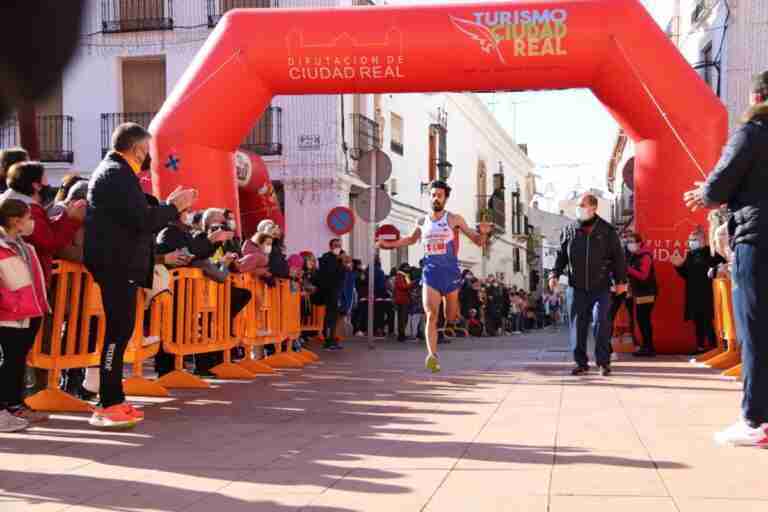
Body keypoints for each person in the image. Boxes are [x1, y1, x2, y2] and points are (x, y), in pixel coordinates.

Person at [85, 123, 196, 428]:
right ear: (136, 149)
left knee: (121, 333)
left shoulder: (118, 173)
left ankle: (114, 398)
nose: (148, 157)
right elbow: (144, 221)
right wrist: (174, 207)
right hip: (116, 264)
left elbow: (139, 216)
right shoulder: (116, 174)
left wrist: (168, 206)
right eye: (146, 150)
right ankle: (108, 403)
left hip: (121, 264)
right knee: (117, 334)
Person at [683, 71, 768, 447]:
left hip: (757, 238)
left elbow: (720, 183)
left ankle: (754, 420)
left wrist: (702, 193)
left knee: (754, 330)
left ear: (757, 96)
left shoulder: (752, 131)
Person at [377, 180, 490, 372]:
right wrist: (388, 245)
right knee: (430, 314)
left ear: (445, 198)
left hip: (451, 273)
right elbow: (411, 240)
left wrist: (485, 234)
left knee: (451, 316)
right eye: (433, 194)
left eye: (439, 195)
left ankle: (450, 320)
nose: (435, 198)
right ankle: (432, 355)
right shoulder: (422, 221)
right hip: (430, 273)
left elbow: (477, 241)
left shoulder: (455, 219)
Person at [550, 193, 627, 377]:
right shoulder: (568, 230)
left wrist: (621, 281)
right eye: (578, 205)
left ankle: (603, 362)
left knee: (601, 321)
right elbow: (561, 256)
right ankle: (581, 363)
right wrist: (554, 273)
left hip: (601, 286)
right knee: (578, 325)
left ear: (593, 208)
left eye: (581, 205)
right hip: (576, 287)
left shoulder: (607, 231)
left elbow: (618, 258)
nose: (579, 208)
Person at [0, 199, 49, 432]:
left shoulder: (25, 247)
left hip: (29, 312)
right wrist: (12, 303)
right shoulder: (2, 247)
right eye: (29, 218)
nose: (32, 223)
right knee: (9, 361)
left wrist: (40, 305)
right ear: (15, 221)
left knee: (18, 361)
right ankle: (5, 408)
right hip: (10, 315)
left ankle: (15, 404)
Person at [0, 161, 85, 283]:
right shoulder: (26, 210)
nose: (48, 183)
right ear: (36, 185)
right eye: (45, 178)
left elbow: (45, 231)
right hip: (26, 279)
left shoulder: (13, 202)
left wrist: (66, 216)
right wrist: (72, 220)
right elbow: (50, 242)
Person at [670, 229, 724, 354]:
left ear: (703, 240)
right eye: (690, 240)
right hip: (693, 292)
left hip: (708, 292)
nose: (691, 242)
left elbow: (722, 267)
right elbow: (686, 275)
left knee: (708, 320)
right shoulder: (690, 254)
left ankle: (714, 346)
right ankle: (700, 347)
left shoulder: (711, 253)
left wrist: (715, 271)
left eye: (694, 240)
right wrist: (678, 266)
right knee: (697, 320)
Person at [625, 232, 658, 357]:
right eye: (628, 242)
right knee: (641, 319)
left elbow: (643, 276)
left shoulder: (645, 256)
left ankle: (648, 347)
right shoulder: (634, 256)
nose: (630, 244)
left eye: (632, 242)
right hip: (640, 293)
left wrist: (628, 269)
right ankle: (646, 346)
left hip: (647, 292)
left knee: (643, 319)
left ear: (639, 243)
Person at [317, 239, 346, 350]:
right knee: (330, 316)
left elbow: (344, 271)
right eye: (335, 245)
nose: (338, 247)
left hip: (338, 290)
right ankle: (328, 340)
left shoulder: (341, 257)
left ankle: (333, 339)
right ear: (330, 247)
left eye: (339, 245)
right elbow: (328, 273)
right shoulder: (326, 257)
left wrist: (344, 263)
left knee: (335, 316)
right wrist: (338, 261)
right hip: (329, 291)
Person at [394, 263, 412, 342]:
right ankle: (401, 335)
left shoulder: (404, 275)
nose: (408, 268)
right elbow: (402, 286)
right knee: (402, 318)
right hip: (402, 300)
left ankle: (402, 334)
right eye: (407, 267)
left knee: (403, 318)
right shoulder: (400, 276)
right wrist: (411, 284)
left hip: (404, 299)